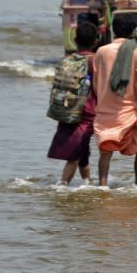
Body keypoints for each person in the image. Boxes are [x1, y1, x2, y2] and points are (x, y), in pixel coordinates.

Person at [92, 15, 137, 186]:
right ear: (133, 32)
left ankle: (102, 186)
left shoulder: (101, 51)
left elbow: (97, 82)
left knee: (105, 152)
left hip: (105, 109)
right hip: (129, 110)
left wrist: (103, 100)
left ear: (113, 31)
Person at [47, 21, 99, 184]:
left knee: (82, 153)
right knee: (76, 153)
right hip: (86, 111)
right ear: (96, 41)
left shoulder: (67, 60)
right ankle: (62, 186)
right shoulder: (94, 61)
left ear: (75, 41)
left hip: (67, 108)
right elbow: (99, 87)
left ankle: (88, 183)